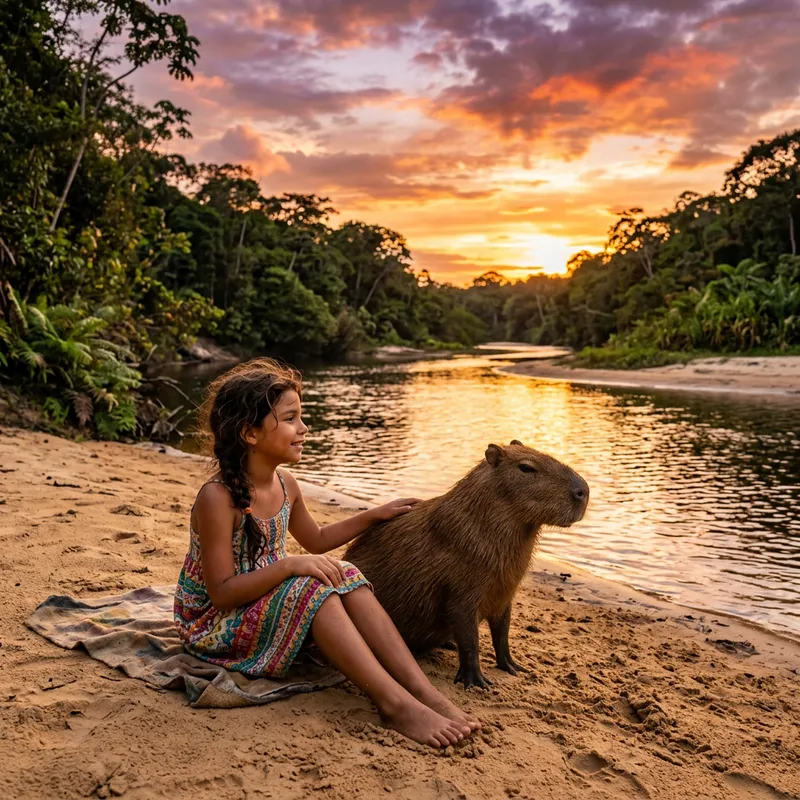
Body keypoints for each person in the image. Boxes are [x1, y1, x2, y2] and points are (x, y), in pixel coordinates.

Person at [174, 358, 480, 747]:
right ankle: (394, 704)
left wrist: (373, 514)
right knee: (310, 586)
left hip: (261, 599)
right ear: (250, 433)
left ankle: (425, 693)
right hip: (213, 622)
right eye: (291, 419)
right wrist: (290, 565)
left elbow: (316, 539)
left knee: (345, 573)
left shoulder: (286, 483)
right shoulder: (217, 498)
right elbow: (221, 593)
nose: (304, 429)